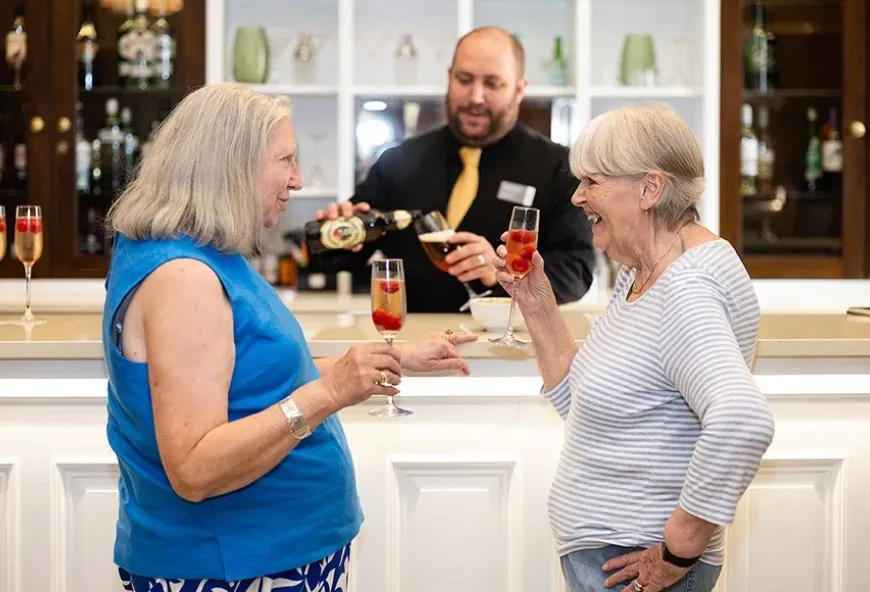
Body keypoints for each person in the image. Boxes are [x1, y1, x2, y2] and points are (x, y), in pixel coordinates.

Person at [101, 83, 477, 591]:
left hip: (267, 554)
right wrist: (331, 393)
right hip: (232, 566)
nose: (297, 180)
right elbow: (194, 467)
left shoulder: (202, 255)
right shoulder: (184, 277)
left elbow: (254, 381)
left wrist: (392, 359)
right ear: (229, 165)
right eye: (285, 160)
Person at [492, 105, 776, 592]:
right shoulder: (646, 270)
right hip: (611, 556)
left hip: (632, 565)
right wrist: (537, 304)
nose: (578, 197)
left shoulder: (685, 288)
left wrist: (678, 549)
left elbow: (742, 420)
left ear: (650, 188)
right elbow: (586, 403)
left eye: (592, 182)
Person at [315, 26, 595, 313]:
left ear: (519, 90)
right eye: (464, 79)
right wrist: (335, 235)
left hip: (511, 346)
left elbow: (577, 271)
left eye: (492, 84)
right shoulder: (400, 160)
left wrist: (504, 270)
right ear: (449, 77)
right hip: (414, 345)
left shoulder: (558, 166)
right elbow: (331, 257)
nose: (475, 97)